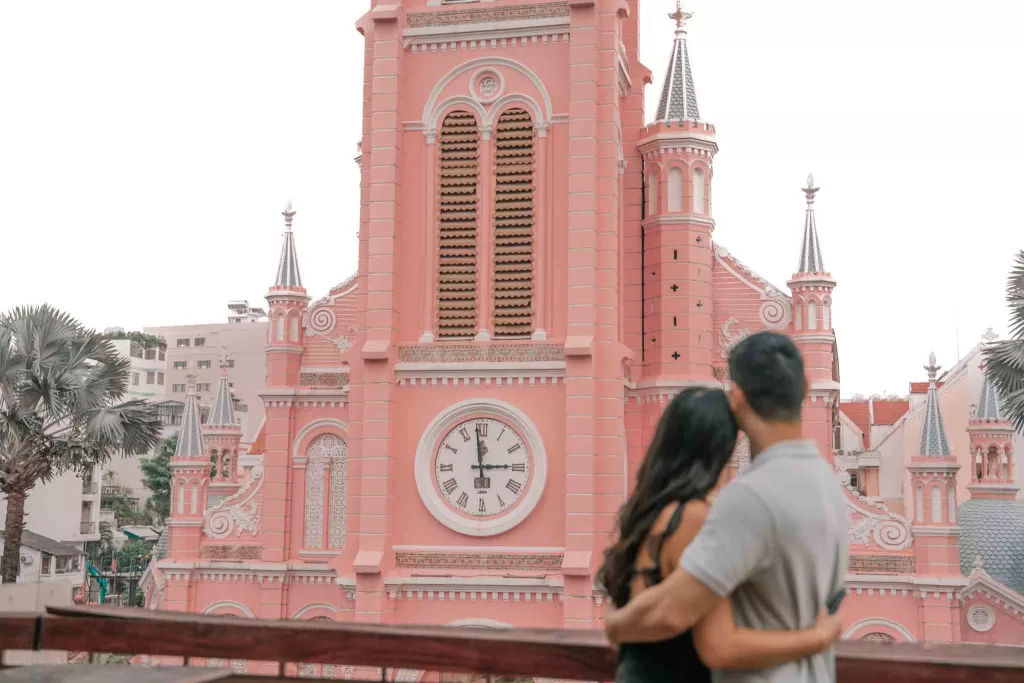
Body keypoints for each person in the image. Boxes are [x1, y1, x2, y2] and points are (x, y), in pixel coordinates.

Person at [605, 331, 849, 683]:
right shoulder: (829, 484)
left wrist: (615, 625)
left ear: (737, 398)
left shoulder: (749, 496)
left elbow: (680, 615)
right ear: (805, 389)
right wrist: (820, 637)